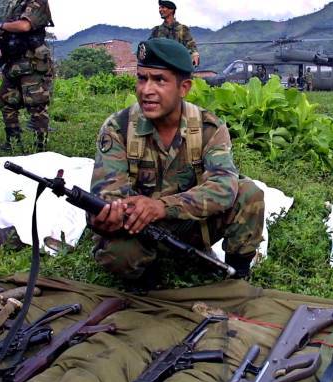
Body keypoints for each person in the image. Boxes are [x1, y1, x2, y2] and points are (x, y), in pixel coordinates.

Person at [89, 38, 265, 283]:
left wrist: (162, 206)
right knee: (120, 256)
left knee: (249, 193)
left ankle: (238, 277)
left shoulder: (208, 127)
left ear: (184, 88)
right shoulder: (118, 128)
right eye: (142, 78)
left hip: (187, 224)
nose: (146, 90)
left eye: (159, 80)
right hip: (139, 230)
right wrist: (106, 216)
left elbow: (224, 187)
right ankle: (148, 280)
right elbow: (105, 196)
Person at [0, 0, 53, 152]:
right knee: (6, 101)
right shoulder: (15, 5)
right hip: (13, 64)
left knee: (37, 106)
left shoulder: (38, 2)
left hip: (32, 64)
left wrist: (1, 26)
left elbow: (24, 26)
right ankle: (13, 143)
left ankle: (40, 148)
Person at [149, 1, 200, 67]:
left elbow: (191, 45)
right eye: (159, 8)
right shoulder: (156, 30)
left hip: (179, 66)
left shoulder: (183, 29)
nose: (160, 10)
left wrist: (195, 54)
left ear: (171, 10)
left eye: (163, 7)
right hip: (161, 67)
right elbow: (149, 45)